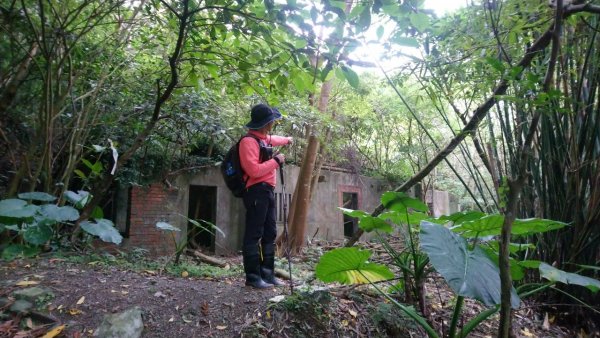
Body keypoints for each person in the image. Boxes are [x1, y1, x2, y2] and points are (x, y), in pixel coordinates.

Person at [239, 103, 293, 289]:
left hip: (267, 191)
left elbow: (274, 139)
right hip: (255, 191)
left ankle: (267, 274)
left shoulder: (263, 139)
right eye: (272, 121)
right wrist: (276, 161)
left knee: (270, 232)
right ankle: (253, 277)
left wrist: (287, 139)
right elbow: (253, 170)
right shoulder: (248, 142)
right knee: (254, 233)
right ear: (265, 123)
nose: (273, 124)